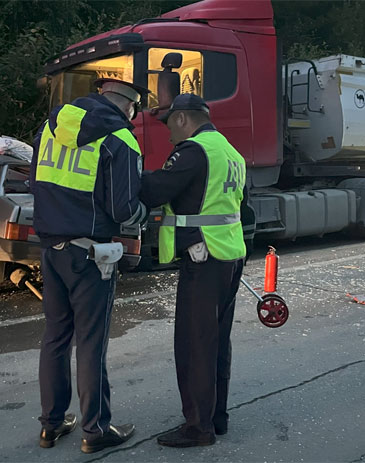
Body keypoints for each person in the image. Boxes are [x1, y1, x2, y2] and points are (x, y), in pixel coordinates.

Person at [30, 78, 149, 454]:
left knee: (55, 338)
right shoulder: (121, 139)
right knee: (91, 343)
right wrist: (146, 212)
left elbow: (36, 182)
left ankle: (51, 425)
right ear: (128, 106)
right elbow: (124, 209)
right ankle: (95, 429)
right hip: (90, 255)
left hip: (51, 249)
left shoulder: (48, 130)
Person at [140, 93, 247, 448]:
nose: (169, 133)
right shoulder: (228, 151)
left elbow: (155, 190)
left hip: (203, 258)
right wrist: (163, 117)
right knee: (216, 342)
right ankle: (217, 417)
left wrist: (121, 168)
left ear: (184, 120)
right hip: (229, 254)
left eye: (171, 124)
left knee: (194, 344)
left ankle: (198, 427)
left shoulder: (192, 152)